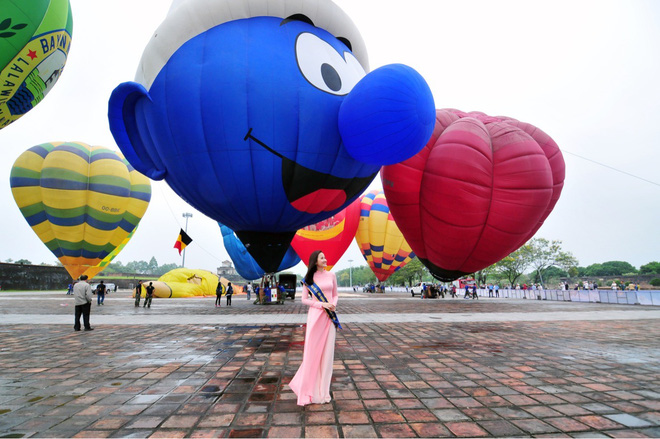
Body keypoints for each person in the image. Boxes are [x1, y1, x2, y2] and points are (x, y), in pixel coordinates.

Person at [289, 250, 339, 406]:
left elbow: (335, 294)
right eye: (322, 257)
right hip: (316, 317)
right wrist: (321, 304)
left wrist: (333, 305)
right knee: (313, 353)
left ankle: (324, 392)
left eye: (325, 257)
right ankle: (308, 389)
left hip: (329, 317)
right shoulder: (308, 279)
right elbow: (304, 300)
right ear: (315, 261)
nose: (325, 259)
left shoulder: (332, 275)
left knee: (328, 355)